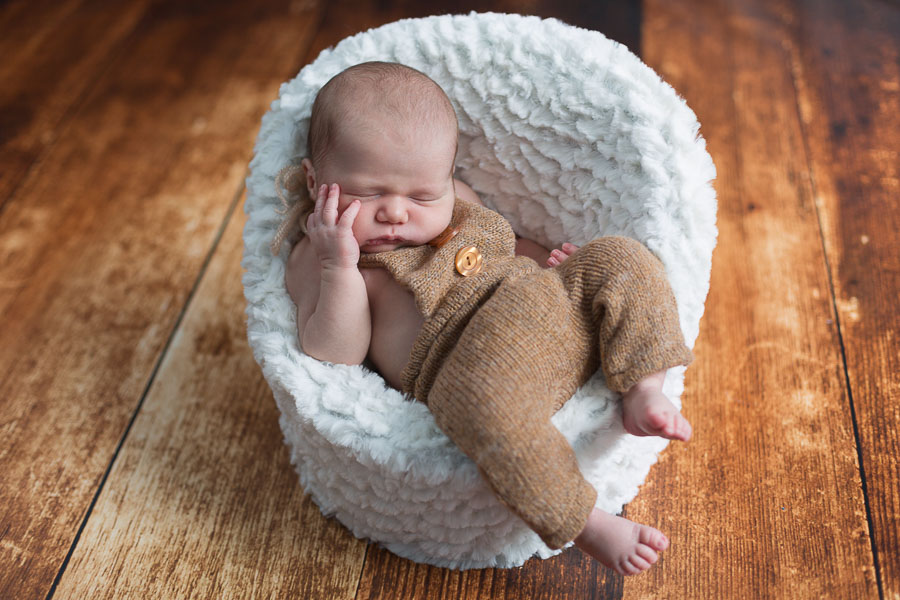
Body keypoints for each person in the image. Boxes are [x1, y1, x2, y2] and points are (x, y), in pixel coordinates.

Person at [276, 61, 693, 576]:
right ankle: (584, 520)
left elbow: (508, 240)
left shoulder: (457, 202)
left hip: (545, 303)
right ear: (316, 182)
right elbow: (334, 353)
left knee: (620, 256)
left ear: (446, 180)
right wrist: (337, 265)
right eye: (366, 194)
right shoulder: (316, 259)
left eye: (423, 195)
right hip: (478, 368)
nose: (396, 213)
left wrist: (554, 267)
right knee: (475, 409)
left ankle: (644, 386)